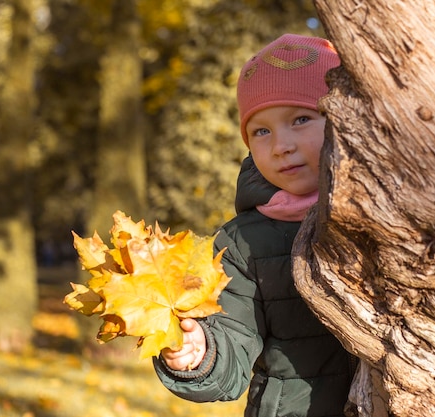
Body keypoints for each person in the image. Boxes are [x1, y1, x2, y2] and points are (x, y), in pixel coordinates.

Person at [152, 34, 357, 417]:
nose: (281, 145)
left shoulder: (394, 216)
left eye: (300, 119)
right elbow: (235, 338)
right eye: (261, 131)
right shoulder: (243, 240)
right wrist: (200, 355)